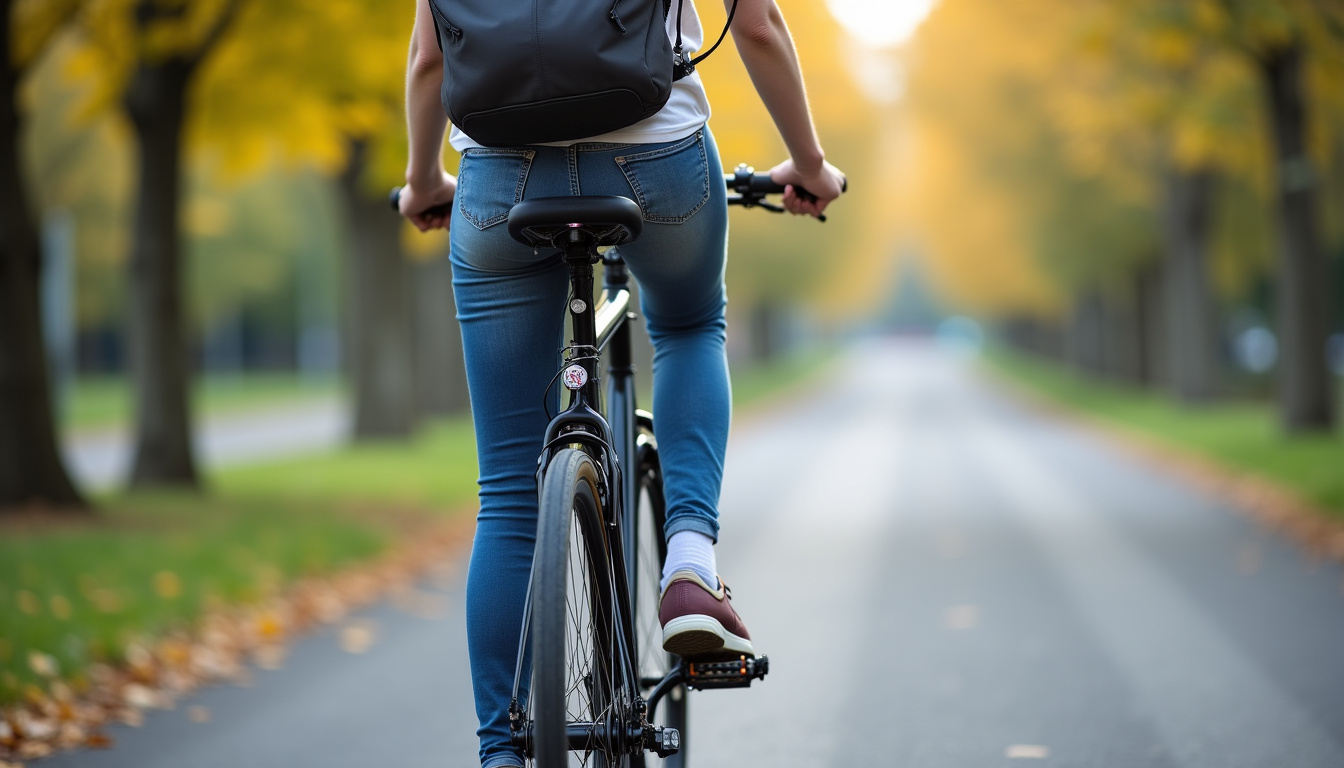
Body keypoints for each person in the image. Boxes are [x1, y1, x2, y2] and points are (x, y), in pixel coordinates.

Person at [398, 1, 845, 765]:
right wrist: (808, 164)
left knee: (508, 490)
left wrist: (422, 179)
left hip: (500, 173)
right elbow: (760, 23)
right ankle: (691, 564)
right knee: (688, 325)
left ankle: (500, 754)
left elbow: (428, 59)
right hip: (657, 154)